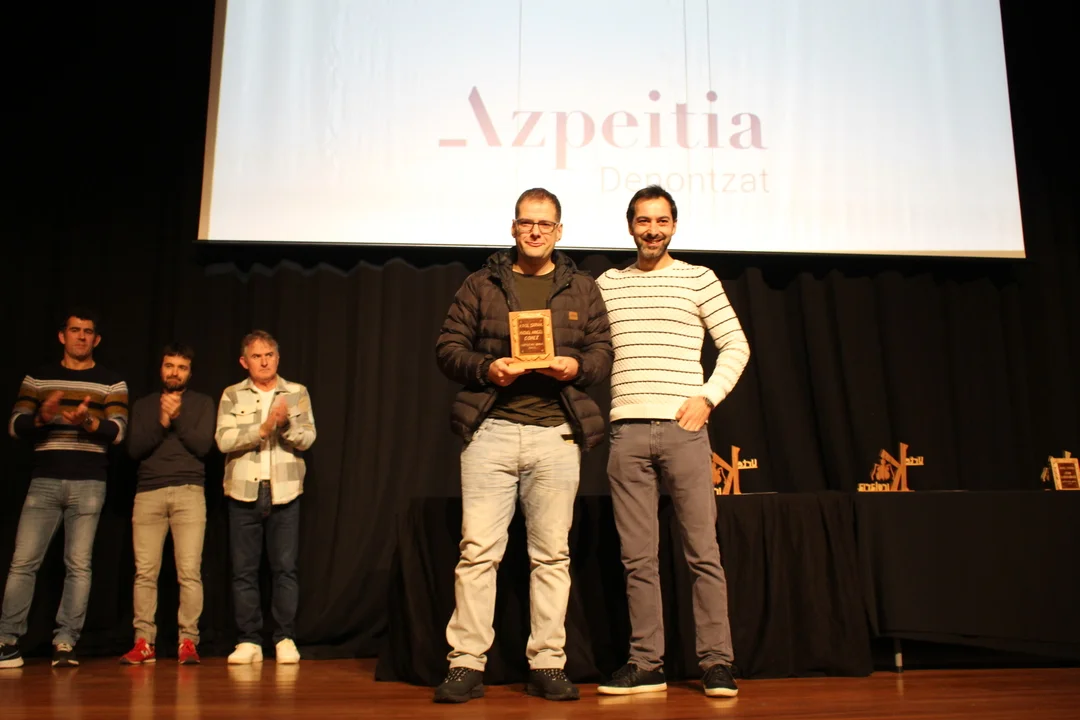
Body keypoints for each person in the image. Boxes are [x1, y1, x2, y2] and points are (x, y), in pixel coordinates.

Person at [432, 187, 613, 703]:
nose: (535, 231)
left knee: (552, 556)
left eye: (544, 224)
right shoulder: (482, 283)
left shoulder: (582, 288)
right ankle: (466, 663)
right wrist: (486, 368)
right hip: (490, 432)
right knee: (477, 553)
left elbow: (602, 351)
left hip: (556, 435)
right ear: (513, 228)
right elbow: (448, 348)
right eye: (526, 223)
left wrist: (577, 367)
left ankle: (548, 662)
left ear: (559, 231)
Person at [595, 185, 750, 698]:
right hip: (627, 431)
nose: (653, 230)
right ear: (630, 226)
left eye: (661, 221)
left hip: (684, 430)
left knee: (703, 551)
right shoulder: (608, 284)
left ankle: (717, 662)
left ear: (674, 226)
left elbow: (735, 344)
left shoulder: (698, 278)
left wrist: (708, 396)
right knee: (638, 558)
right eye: (644, 221)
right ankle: (646, 663)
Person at [0, 309, 128, 669]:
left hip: (89, 482)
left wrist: (88, 420)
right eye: (75, 330)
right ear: (62, 336)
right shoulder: (38, 378)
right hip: (44, 479)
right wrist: (42, 417)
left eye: (88, 332)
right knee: (23, 563)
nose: (81, 337)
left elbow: (119, 431)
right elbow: (15, 425)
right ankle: (7, 641)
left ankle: (65, 642)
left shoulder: (111, 383)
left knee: (78, 565)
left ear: (96, 339)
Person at [215, 330, 316, 665]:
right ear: (244, 362)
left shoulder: (296, 392)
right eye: (256, 356)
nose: (264, 361)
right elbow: (223, 440)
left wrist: (284, 426)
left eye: (269, 355)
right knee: (244, 570)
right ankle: (249, 640)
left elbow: (308, 438)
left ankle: (284, 637)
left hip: (285, 491)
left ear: (278, 357)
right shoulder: (232, 395)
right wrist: (261, 429)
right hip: (244, 490)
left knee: (285, 569)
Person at [120, 343, 215, 665]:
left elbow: (203, 446)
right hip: (148, 493)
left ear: (190, 372)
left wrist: (178, 418)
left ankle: (188, 641)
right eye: (169, 366)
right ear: (161, 369)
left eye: (181, 367)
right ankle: (143, 641)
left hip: (189, 492)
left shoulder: (202, 403)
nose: (175, 372)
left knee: (189, 572)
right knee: (145, 573)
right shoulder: (144, 405)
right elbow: (134, 449)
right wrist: (161, 420)